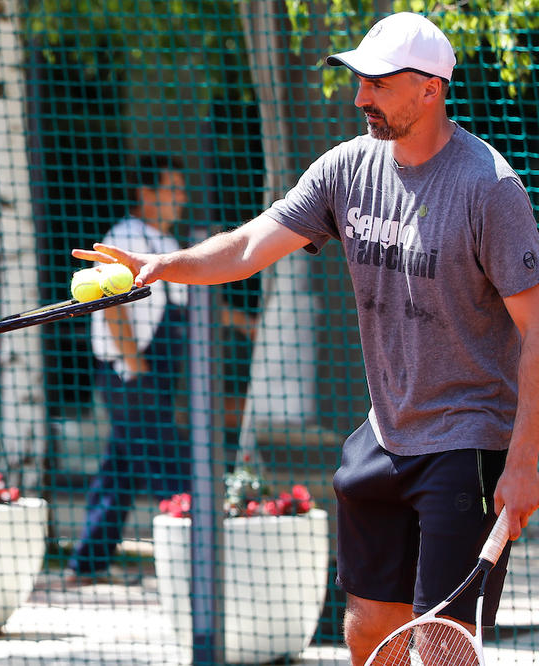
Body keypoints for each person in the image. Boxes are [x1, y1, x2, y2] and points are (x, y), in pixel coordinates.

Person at [73, 12, 539, 664]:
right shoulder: (346, 169)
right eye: (359, 81)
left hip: (469, 441)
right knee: (369, 628)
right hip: (385, 436)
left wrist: (522, 463)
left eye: (378, 82)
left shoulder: (490, 189)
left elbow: (536, 330)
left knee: (441, 644)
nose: (360, 97)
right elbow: (249, 245)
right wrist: (165, 266)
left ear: (430, 88)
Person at [66, 155, 191, 583]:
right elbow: (110, 308)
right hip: (130, 373)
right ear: (146, 193)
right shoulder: (122, 239)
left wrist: (243, 324)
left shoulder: (165, 241)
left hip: (153, 373)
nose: (181, 198)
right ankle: (199, 553)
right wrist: (135, 366)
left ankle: (86, 564)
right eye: (172, 189)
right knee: (167, 463)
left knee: (120, 470)